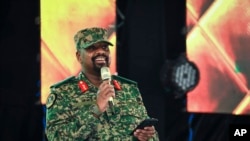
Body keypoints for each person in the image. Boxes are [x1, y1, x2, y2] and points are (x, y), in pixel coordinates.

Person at [45, 27, 159, 141]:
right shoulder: (62, 93)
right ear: (79, 56)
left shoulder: (129, 89)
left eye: (105, 47)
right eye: (92, 48)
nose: (101, 52)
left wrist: (145, 137)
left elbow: (151, 135)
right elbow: (56, 138)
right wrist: (96, 110)